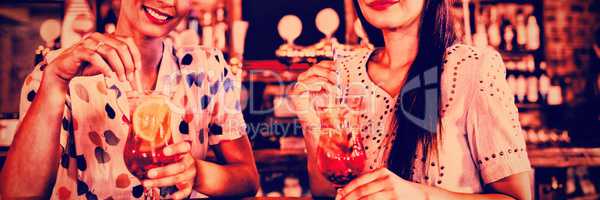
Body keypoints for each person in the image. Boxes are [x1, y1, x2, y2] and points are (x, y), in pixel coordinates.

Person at [0, 0, 258, 199]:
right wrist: (55, 83)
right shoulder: (58, 71)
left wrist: (199, 174)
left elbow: (247, 179)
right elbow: (16, 194)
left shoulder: (206, 68)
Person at [291, 0, 532, 199]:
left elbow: (518, 197)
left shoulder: (473, 68)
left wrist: (420, 195)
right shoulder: (343, 74)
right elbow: (325, 193)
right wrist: (312, 124)